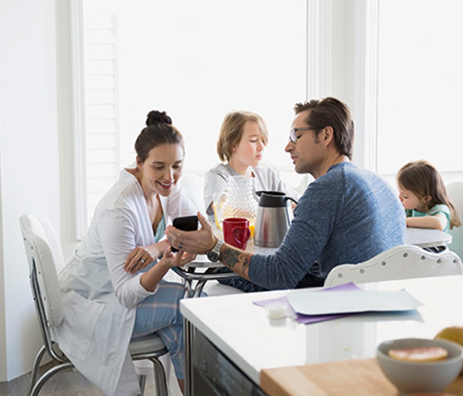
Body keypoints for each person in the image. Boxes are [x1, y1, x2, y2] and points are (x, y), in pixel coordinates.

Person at [166, 97, 405, 291]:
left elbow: (281, 273)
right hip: (380, 306)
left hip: (339, 306)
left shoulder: (327, 188)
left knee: (218, 274)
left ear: (325, 135)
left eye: (296, 136)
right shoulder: (378, 183)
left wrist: (214, 247)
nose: (287, 147)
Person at [56, 110, 197, 396]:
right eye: (159, 167)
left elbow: (191, 233)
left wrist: (158, 248)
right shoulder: (119, 208)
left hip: (119, 297)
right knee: (193, 311)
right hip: (95, 306)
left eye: (177, 166)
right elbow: (125, 294)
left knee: (185, 326)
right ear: (139, 162)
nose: (170, 177)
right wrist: (168, 260)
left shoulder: (163, 185)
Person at [204, 110, 299, 220]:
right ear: (232, 145)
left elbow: (298, 202)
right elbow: (226, 211)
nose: (261, 147)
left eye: (263, 141)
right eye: (253, 140)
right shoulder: (218, 175)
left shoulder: (268, 175)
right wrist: (278, 211)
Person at [396, 160, 461, 232]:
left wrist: (404, 221)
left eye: (405, 196)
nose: (399, 198)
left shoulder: (439, 209)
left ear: (425, 199)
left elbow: (439, 223)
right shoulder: (410, 210)